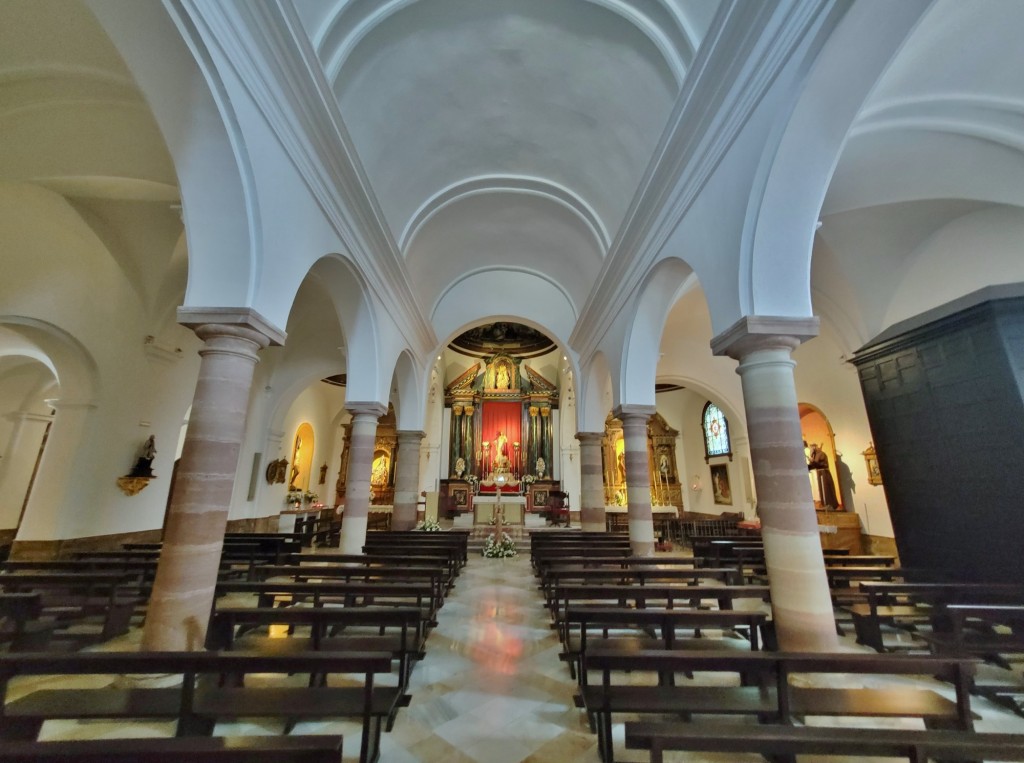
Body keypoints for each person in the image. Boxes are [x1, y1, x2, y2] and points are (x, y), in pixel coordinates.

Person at [808, 443, 840, 509]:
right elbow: (814, 466)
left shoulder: (821, 454)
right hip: (819, 473)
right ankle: (823, 504)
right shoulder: (814, 455)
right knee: (821, 490)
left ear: (815, 447)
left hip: (824, 473)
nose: (811, 449)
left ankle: (830, 504)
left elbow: (822, 464)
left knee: (826, 489)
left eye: (811, 448)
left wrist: (813, 461)